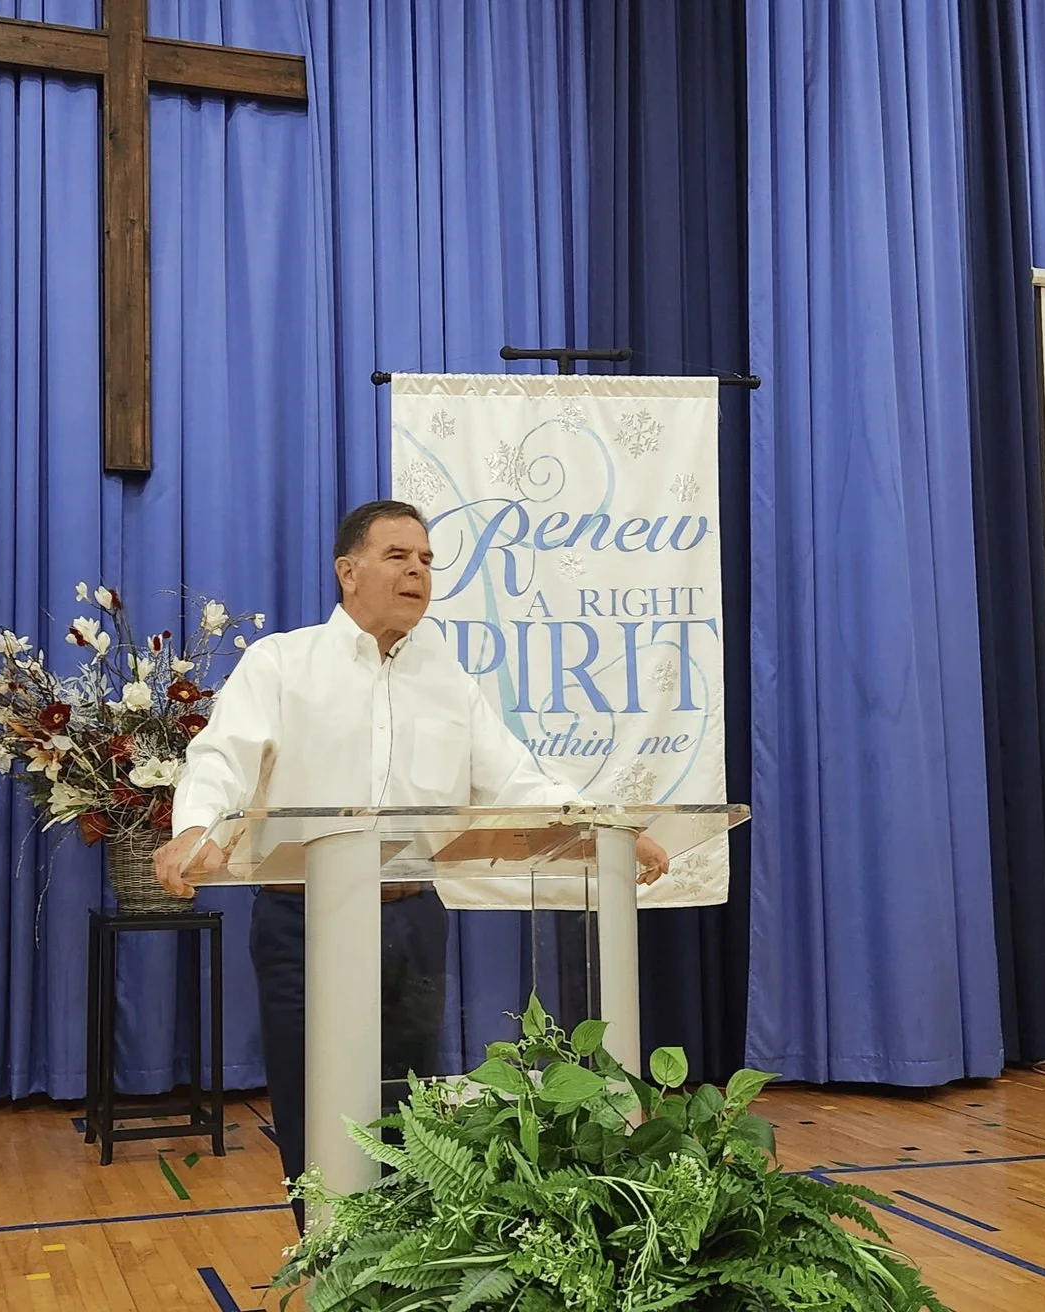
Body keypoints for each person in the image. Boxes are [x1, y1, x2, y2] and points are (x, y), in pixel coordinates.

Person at [152, 499, 670, 1225]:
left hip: (414, 922)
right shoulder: (283, 663)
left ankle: (400, 1276)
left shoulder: (448, 679)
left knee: (412, 1118)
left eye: (427, 561)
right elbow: (222, 758)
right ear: (348, 571)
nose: (418, 573)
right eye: (398, 557)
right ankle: (330, 1265)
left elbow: (517, 779)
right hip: (308, 920)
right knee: (318, 1109)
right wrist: (196, 827)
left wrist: (606, 829)